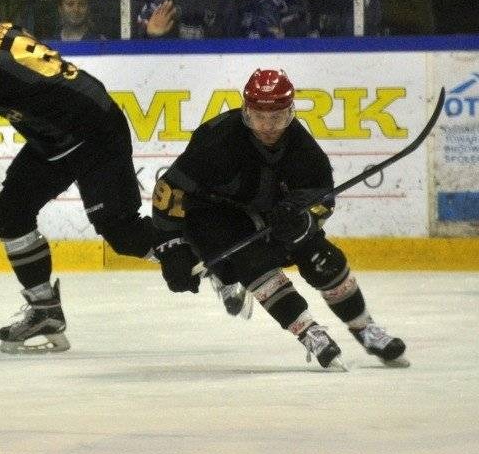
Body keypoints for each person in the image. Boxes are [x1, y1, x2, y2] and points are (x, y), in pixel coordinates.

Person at [0, 0, 243, 354]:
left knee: (123, 232)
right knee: (11, 212)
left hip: (95, 133)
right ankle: (45, 312)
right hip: (57, 138)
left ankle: (220, 260)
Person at [152, 69, 408, 370]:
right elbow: (169, 192)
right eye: (260, 117)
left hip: (270, 212)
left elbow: (322, 203)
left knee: (321, 257)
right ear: (247, 111)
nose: (268, 127)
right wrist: (172, 248)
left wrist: (303, 221)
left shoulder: (303, 149)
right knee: (253, 263)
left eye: (277, 118)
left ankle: (365, 329)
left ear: (290, 112)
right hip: (213, 215)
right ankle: (307, 331)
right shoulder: (216, 140)